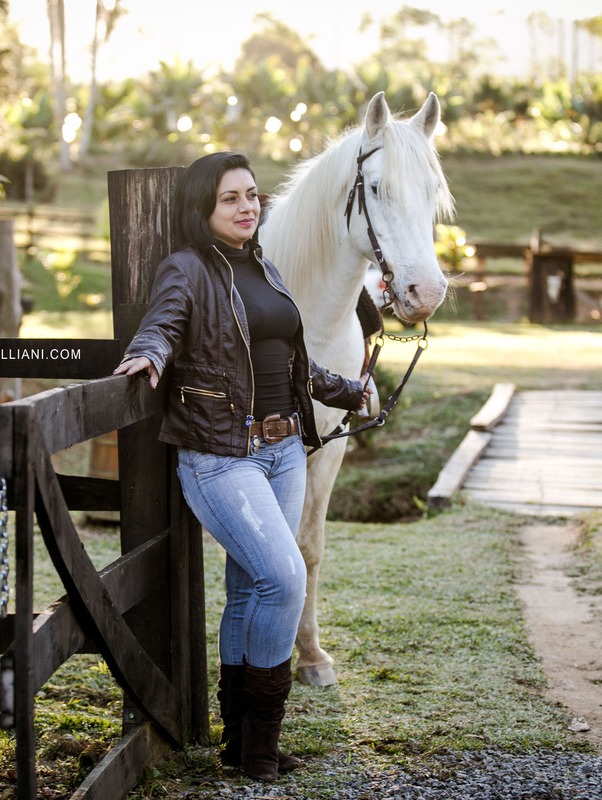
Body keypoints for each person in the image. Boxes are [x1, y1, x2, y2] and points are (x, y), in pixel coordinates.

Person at [113, 152, 369, 781]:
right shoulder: (187, 269)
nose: (247, 207)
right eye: (230, 198)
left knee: (249, 590)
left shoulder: (265, 268)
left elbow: (290, 364)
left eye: (252, 195)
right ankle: (257, 742)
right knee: (284, 581)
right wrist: (146, 354)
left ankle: (247, 743)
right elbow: (163, 325)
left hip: (284, 452)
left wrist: (347, 390)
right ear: (204, 208)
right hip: (221, 458)